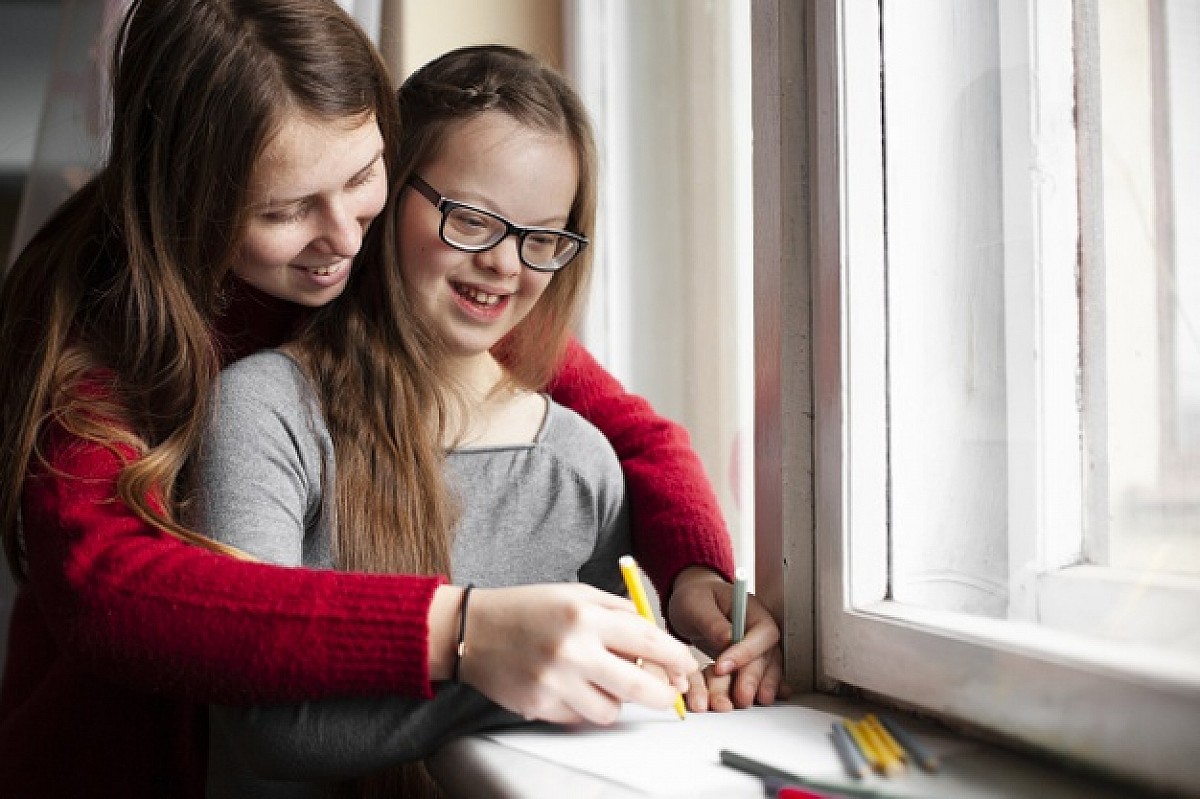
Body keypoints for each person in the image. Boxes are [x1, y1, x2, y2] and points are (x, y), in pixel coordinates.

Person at [0, 2, 780, 798]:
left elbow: (638, 434)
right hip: (104, 763)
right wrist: (464, 628)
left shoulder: (382, 266)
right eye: (284, 209)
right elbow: (109, 588)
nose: (343, 236)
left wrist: (694, 572)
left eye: (361, 178)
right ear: (187, 198)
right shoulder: (96, 335)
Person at [197, 43, 747, 798]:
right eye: (471, 219)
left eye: (544, 237)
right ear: (386, 195)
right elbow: (265, 721)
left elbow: (626, 708)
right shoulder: (264, 411)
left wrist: (712, 653)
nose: (508, 265)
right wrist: (514, 666)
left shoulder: (580, 464)